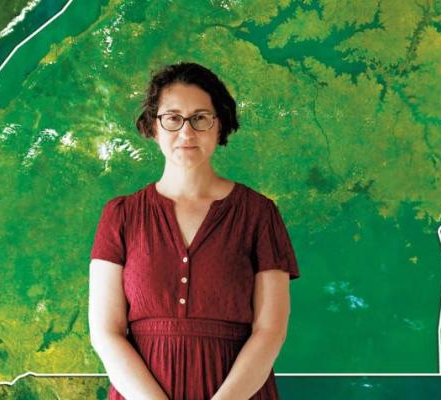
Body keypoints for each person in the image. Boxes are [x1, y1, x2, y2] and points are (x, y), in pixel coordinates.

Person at [89, 62, 300, 400]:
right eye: (173, 118)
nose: (186, 133)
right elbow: (105, 332)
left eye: (201, 118)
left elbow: (270, 330)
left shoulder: (259, 213)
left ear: (221, 127)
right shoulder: (120, 215)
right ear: (153, 127)